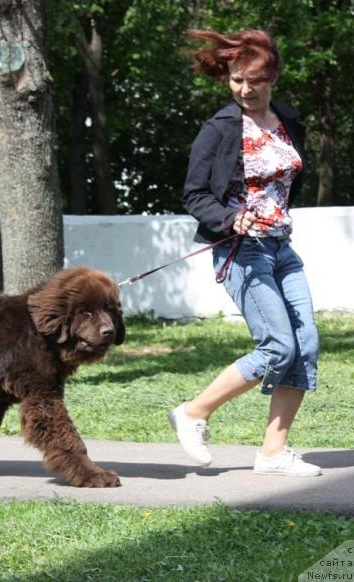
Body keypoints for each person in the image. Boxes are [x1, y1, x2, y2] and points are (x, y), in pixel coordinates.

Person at [168, 29, 321, 476]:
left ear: (271, 76)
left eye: (253, 80)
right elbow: (195, 195)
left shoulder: (289, 120)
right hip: (241, 249)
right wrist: (230, 218)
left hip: (281, 247)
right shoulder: (219, 128)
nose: (245, 90)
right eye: (236, 80)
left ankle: (272, 454)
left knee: (305, 345)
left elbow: (288, 182)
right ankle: (193, 412)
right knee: (277, 346)